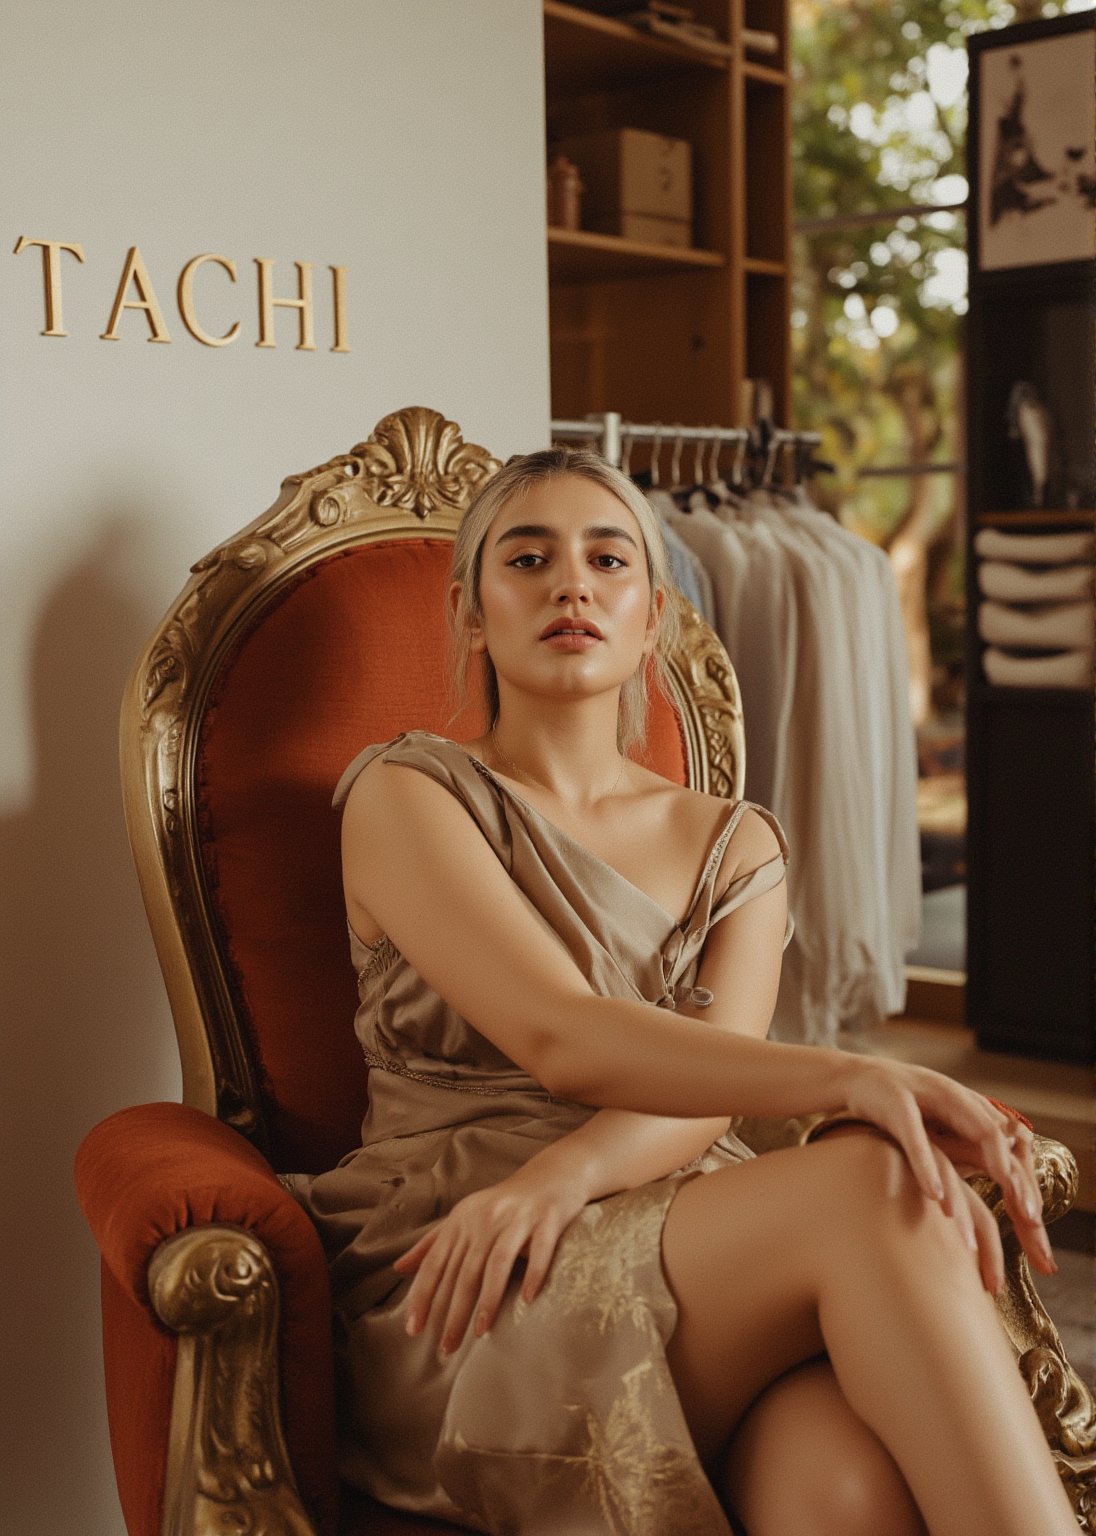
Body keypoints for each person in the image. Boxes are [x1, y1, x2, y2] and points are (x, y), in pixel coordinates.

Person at [287, 447, 1076, 1536]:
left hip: (690, 1232)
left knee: (844, 1492)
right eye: (528, 558)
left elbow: (704, 1095)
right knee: (872, 1184)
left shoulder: (735, 841)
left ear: (652, 616)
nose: (572, 584)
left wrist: (569, 1172)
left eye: (607, 559)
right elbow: (562, 1035)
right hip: (467, 1254)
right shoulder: (407, 794)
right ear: (470, 612)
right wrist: (851, 1072)